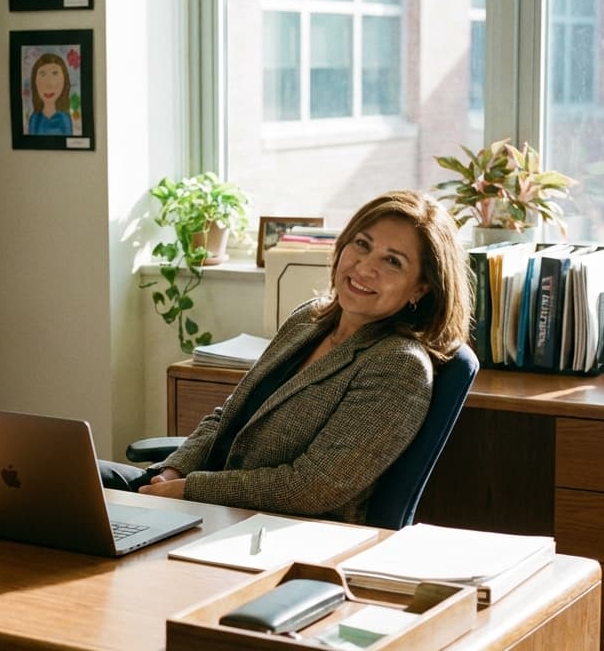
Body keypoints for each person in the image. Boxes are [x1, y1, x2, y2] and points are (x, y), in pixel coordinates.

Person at [101, 190, 472, 523]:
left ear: (420, 288)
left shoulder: (399, 365)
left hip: (269, 526)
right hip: (203, 498)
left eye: (393, 261)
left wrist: (188, 490)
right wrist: (171, 472)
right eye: (362, 244)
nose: (365, 267)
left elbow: (313, 487)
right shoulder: (308, 320)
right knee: (73, 477)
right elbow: (226, 416)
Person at [28, 52, 73, 136]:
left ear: (64, 81)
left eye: (55, 73)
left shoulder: (64, 119)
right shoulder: (35, 119)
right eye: (42, 74)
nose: (49, 84)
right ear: (35, 82)